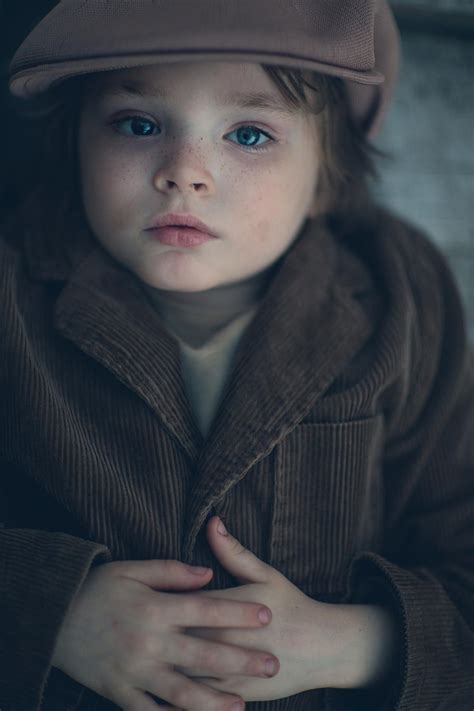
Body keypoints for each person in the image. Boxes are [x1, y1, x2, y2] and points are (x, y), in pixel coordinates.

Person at [1, 1, 473, 710]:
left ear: (326, 178)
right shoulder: (12, 287)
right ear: (74, 143)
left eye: (249, 134)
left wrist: (356, 641)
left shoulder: (402, 294)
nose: (184, 172)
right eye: (138, 124)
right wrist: (49, 614)